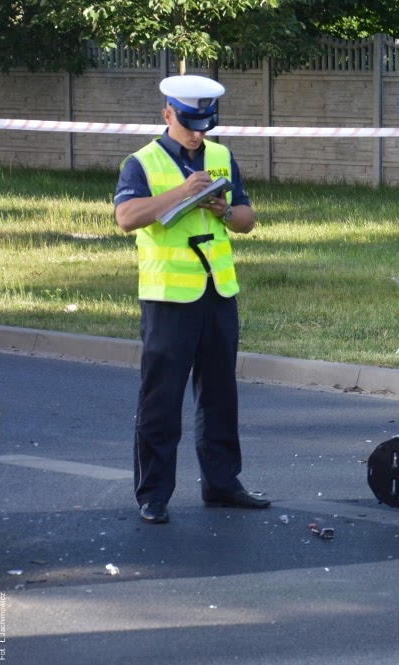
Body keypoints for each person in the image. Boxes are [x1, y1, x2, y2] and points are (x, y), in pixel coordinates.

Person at [113, 74, 270, 524]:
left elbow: (246, 218)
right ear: (167, 115)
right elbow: (126, 217)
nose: (199, 134)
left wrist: (225, 210)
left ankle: (222, 484)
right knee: (161, 399)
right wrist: (181, 192)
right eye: (189, 124)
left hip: (218, 291)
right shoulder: (140, 162)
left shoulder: (221, 156)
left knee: (220, 396)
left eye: (205, 124)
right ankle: (154, 495)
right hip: (168, 298)